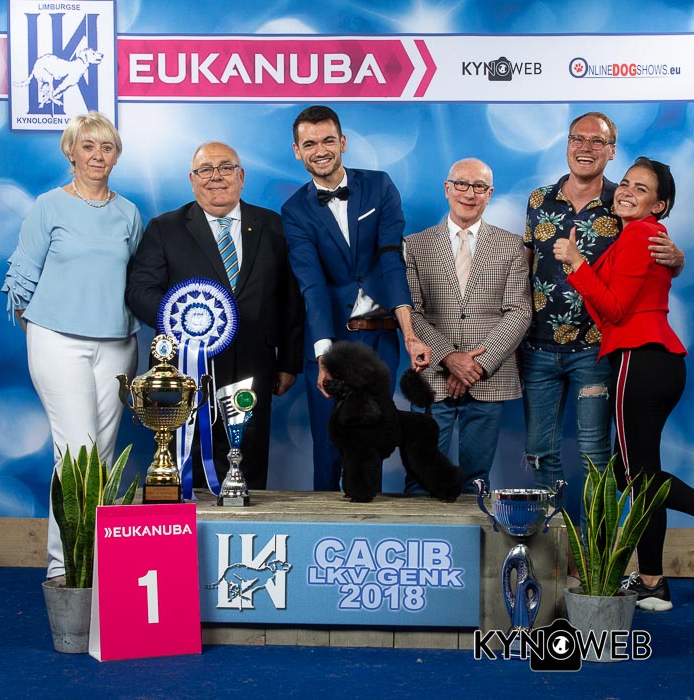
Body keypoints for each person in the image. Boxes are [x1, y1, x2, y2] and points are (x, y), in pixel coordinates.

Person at [523, 111, 684, 525]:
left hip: (594, 349)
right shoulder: (539, 200)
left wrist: (676, 259)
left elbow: (649, 254)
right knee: (540, 453)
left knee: (598, 459)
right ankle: (554, 545)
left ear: (611, 151)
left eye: (598, 141)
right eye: (578, 138)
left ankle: (593, 556)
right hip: (538, 347)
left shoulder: (622, 203)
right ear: (567, 144)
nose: (586, 147)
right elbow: (526, 262)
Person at [1, 111, 142, 581]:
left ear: (116, 156)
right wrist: (44, 334)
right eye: (88, 146)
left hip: (118, 343)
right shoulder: (48, 206)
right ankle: (65, 566)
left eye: (107, 147)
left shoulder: (129, 212)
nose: (98, 155)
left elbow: (135, 279)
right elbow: (22, 277)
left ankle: (99, 562)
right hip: (57, 341)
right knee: (76, 452)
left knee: (103, 455)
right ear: (71, 152)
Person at [553, 156, 694, 611]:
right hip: (653, 361)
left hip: (640, 359)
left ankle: (652, 580)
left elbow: (614, 309)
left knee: (639, 477)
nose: (628, 191)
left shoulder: (640, 235)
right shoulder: (642, 235)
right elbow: (610, 308)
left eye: (642, 188)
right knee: (634, 474)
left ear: (660, 204)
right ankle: (652, 581)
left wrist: (577, 263)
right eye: (627, 183)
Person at [126, 141, 303, 491]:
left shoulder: (272, 225)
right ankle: (190, 526)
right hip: (186, 370)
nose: (216, 177)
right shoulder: (165, 228)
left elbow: (290, 298)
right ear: (193, 180)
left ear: (241, 176)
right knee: (185, 464)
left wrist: (289, 362)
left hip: (255, 365)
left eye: (225, 168)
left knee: (248, 465)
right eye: (205, 170)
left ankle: (245, 522)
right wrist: (184, 319)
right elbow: (139, 291)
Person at [281, 105, 430, 492]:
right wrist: (324, 358)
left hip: (379, 339)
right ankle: (322, 520)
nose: (320, 150)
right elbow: (311, 285)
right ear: (297, 151)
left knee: (370, 443)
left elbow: (391, 259)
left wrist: (409, 334)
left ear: (343, 142)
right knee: (329, 445)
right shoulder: (294, 210)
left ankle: (368, 522)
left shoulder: (380, 186)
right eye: (309, 144)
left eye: (328, 140)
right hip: (329, 337)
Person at [405, 158, 531, 493]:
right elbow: (412, 312)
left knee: (476, 481)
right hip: (432, 376)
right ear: (447, 189)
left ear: (490, 194)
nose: (469, 193)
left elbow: (519, 311)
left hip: (487, 378)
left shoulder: (510, 245)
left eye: (479, 187)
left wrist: (475, 366)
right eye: (461, 184)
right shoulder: (415, 245)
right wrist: (449, 359)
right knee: (420, 476)